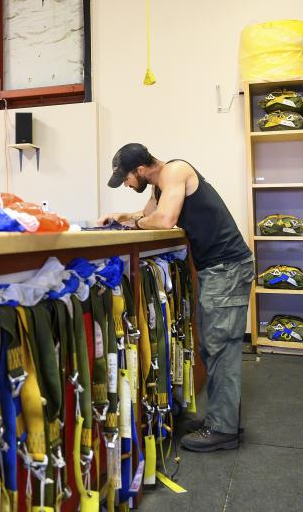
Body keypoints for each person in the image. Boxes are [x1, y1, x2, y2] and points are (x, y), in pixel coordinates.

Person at [99, 143, 254, 452]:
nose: (127, 185)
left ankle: (223, 430)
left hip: (228, 268)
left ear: (140, 171)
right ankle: (220, 419)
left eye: (127, 179)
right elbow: (148, 215)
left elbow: (164, 219)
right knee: (211, 347)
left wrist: (139, 221)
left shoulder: (176, 170)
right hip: (217, 269)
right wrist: (122, 217)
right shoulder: (159, 186)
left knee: (221, 346)